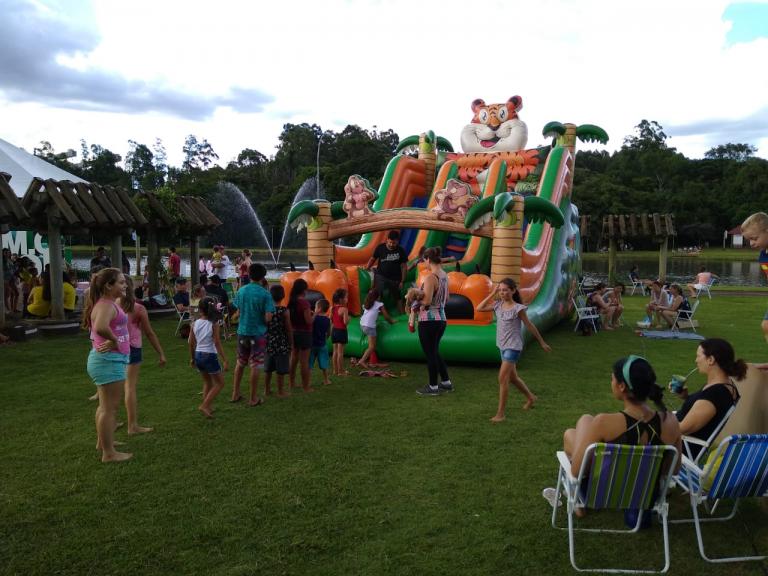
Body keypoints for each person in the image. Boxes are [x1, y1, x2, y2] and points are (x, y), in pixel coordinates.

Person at [558, 356, 681, 494]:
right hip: (645, 491)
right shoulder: (671, 422)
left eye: (612, 379)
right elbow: (674, 470)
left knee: (573, 432)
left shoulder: (603, 423)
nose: (611, 383)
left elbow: (576, 471)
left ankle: (575, 494)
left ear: (622, 386)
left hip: (605, 491)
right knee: (584, 420)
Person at [477, 278, 551, 421]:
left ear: (513, 291)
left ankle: (501, 414)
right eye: (501, 290)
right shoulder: (497, 305)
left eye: (505, 290)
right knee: (513, 378)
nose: (502, 293)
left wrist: (542, 342)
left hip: (513, 347)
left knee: (502, 378)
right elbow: (479, 308)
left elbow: (530, 326)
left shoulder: (518, 308)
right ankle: (531, 398)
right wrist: (492, 293)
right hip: (502, 346)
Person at [83, 268, 132, 463]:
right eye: (121, 282)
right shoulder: (106, 306)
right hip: (108, 361)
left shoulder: (108, 303)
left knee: (105, 407)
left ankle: (103, 442)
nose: (125, 285)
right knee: (109, 408)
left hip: (110, 360)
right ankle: (109, 453)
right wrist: (113, 340)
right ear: (108, 286)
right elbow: (101, 327)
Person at [671, 338, 745, 457]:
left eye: (698, 356)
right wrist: (686, 397)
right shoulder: (723, 384)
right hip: (678, 439)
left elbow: (683, 428)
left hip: (678, 449)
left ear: (710, 360)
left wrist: (657, 424)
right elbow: (703, 408)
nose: (696, 360)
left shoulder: (716, 394)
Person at [120, 276, 166, 433]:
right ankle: (132, 425)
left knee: (113, 388)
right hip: (132, 348)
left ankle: (110, 419)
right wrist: (160, 353)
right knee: (130, 387)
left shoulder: (110, 306)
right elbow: (149, 333)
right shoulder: (138, 308)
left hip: (114, 348)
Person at [229, 263, 275, 406]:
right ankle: (253, 398)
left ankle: (235, 393)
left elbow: (236, 310)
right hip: (258, 334)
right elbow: (268, 317)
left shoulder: (242, 291)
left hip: (243, 332)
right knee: (255, 364)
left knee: (240, 362)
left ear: (249, 274)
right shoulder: (265, 294)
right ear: (263, 276)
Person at [415, 247, 453, 396]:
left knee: (430, 354)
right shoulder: (445, 276)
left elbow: (428, 300)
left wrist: (415, 301)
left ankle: (432, 386)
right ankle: (446, 382)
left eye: (425, 260)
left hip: (428, 320)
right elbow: (447, 298)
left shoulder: (430, 277)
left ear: (428, 260)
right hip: (441, 318)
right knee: (434, 351)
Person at [189, 296, 229, 418]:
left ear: (200, 309)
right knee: (220, 383)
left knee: (207, 382)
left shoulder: (194, 323)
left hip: (198, 354)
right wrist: (225, 359)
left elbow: (191, 342)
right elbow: (216, 342)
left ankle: (207, 407)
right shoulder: (213, 323)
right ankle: (205, 405)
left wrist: (192, 358)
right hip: (209, 355)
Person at [740, 212, 768, 344]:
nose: (751, 243)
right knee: (766, 326)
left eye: (754, 238)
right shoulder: (763, 255)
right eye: (749, 240)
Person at [365, 230, 407, 313]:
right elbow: (373, 258)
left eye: (394, 243)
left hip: (395, 277)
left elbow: (404, 267)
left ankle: (401, 313)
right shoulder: (380, 248)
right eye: (390, 242)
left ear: (397, 241)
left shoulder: (401, 250)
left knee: (397, 296)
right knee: (377, 293)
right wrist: (367, 268)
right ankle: (373, 312)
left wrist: (402, 281)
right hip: (381, 275)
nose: (391, 245)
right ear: (387, 239)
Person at [264, 284, 292, 398]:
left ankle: (267, 390)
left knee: (268, 369)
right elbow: (288, 328)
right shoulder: (284, 311)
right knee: (280, 369)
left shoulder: (267, 311)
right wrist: (291, 343)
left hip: (268, 341)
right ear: (283, 296)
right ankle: (280, 391)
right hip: (281, 342)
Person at [357, 289, 395, 370]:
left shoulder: (367, 303)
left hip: (362, 324)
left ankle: (373, 362)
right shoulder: (379, 304)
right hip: (369, 326)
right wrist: (392, 321)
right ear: (378, 297)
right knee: (372, 346)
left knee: (371, 344)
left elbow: (371, 313)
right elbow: (386, 316)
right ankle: (362, 361)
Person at [288, 279, 314, 393]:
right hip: (304, 334)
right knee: (304, 361)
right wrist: (316, 314)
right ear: (303, 290)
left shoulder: (291, 302)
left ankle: (291, 382)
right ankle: (306, 386)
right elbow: (308, 321)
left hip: (293, 332)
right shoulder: (304, 303)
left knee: (293, 358)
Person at [310, 299, 332, 386]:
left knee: (309, 364)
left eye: (315, 307)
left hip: (312, 344)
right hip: (322, 344)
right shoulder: (327, 320)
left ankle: (308, 381)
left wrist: (313, 314)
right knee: (324, 363)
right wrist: (326, 338)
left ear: (319, 308)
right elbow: (329, 332)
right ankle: (326, 380)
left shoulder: (314, 319)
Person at [330, 288, 350, 376]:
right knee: (340, 353)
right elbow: (345, 322)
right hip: (341, 331)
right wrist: (349, 319)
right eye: (346, 297)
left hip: (334, 331)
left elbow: (331, 319)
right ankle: (341, 371)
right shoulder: (344, 309)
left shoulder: (332, 308)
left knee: (335, 352)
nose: (347, 299)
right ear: (341, 299)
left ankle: (335, 370)